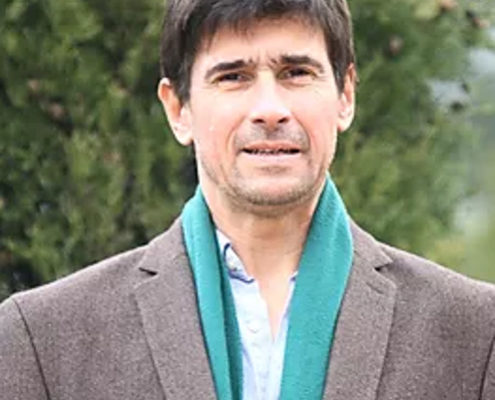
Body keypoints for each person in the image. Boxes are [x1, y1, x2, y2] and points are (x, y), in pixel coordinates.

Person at [1, 0, 494, 399]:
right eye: (232, 77)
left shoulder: (474, 334)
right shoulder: (44, 339)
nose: (270, 110)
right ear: (178, 110)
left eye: (296, 72)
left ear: (345, 95)